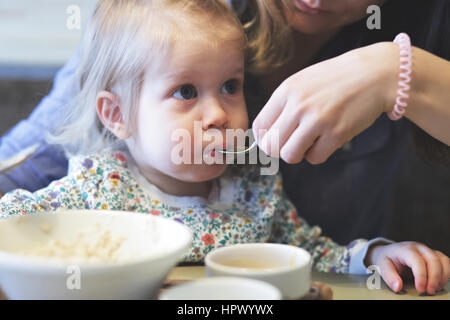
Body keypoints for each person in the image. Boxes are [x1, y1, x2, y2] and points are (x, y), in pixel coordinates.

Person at [0, 0, 448, 295]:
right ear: (117, 115)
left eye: (231, 86)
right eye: (186, 92)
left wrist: (374, 255)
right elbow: (17, 217)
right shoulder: (96, 189)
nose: (218, 114)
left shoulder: (254, 188)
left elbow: (312, 251)